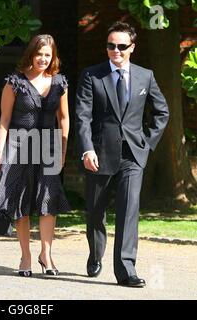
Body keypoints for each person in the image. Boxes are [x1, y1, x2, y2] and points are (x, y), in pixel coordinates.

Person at [75, 21, 169, 287]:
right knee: (95, 212)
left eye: (121, 46)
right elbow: (82, 116)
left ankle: (126, 270)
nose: (115, 50)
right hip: (99, 153)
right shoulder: (92, 76)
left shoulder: (145, 76)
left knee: (128, 211)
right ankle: (96, 253)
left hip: (133, 156)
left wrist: (147, 143)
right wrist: (87, 148)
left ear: (132, 48)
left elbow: (162, 112)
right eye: (110, 46)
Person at [0, 34, 71, 277]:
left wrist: (62, 151)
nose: (43, 59)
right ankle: (26, 256)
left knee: (48, 202)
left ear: (53, 56)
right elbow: (4, 119)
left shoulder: (60, 83)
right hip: (19, 147)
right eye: (40, 54)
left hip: (48, 148)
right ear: (31, 54)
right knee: (22, 203)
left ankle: (46, 255)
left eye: (48, 55)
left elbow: (64, 119)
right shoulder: (15, 82)